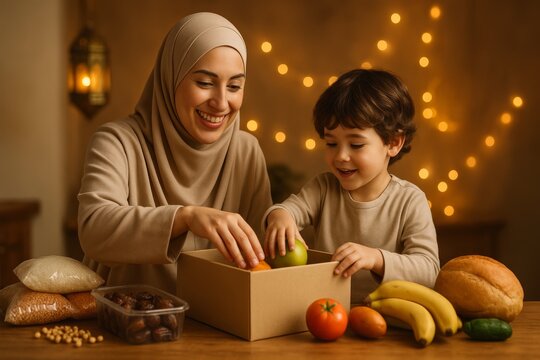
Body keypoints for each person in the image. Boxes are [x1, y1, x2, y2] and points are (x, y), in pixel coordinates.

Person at [77, 12, 273, 295]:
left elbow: (259, 257)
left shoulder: (246, 150)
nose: (220, 103)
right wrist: (186, 217)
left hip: (221, 324)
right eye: (205, 83)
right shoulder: (117, 141)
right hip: (124, 322)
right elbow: (95, 230)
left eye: (234, 86)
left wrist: (282, 221)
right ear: (171, 77)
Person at [263, 69, 440, 303]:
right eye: (331, 143)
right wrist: (279, 216)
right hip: (325, 316)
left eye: (356, 145)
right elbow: (288, 210)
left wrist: (376, 258)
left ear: (394, 143)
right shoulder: (323, 188)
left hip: (386, 322)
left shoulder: (410, 200)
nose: (340, 156)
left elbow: (429, 271)